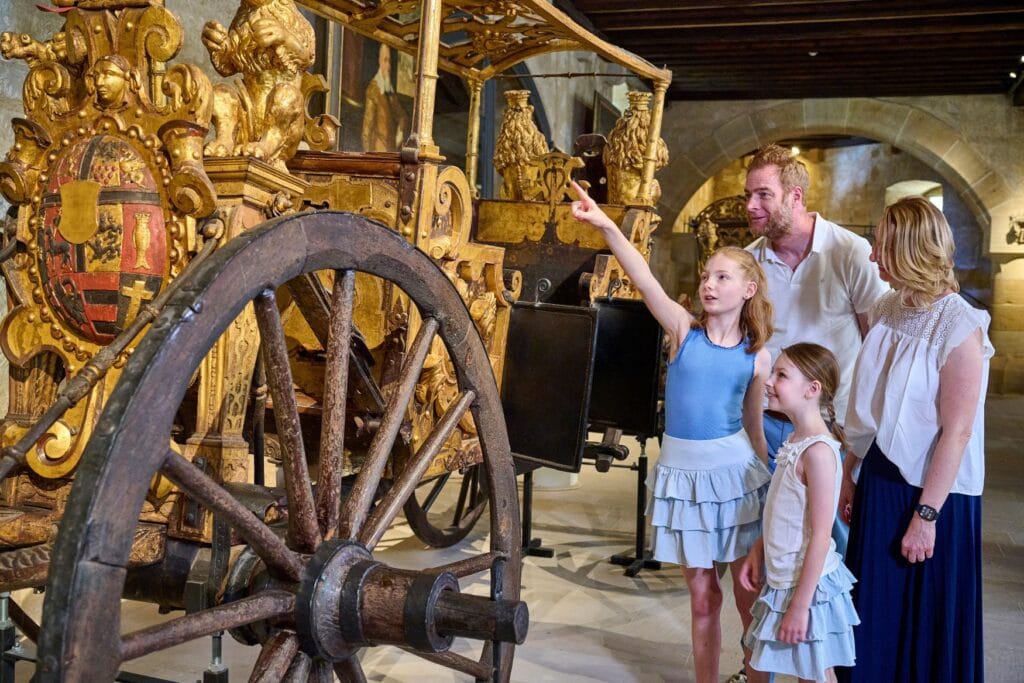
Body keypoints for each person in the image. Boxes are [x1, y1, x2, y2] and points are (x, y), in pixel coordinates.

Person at [571, 181, 773, 683]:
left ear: (747, 289)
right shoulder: (684, 331)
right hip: (684, 480)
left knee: (750, 597)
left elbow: (752, 423)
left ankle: (754, 677)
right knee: (704, 598)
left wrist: (773, 474)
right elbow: (642, 278)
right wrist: (606, 225)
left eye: (722, 277)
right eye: (706, 276)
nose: (709, 284)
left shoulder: (756, 356)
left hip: (736, 481)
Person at [837, 196, 991, 683]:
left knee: (920, 622)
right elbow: (871, 403)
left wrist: (926, 517)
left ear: (909, 249)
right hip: (880, 478)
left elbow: (958, 431)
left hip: (932, 494)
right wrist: (849, 472)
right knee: (874, 617)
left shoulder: (959, 324)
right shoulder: (888, 306)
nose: (872, 256)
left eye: (880, 245)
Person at [744, 144, 888, 553]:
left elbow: (876, 343)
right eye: (748, 195)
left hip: (830, 426)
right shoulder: (749, 262)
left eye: (763, 194)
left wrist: (864, 430)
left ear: (795, 196)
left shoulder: (850, 252)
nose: (751, 205)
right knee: (768, 541)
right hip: (766, 422)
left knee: (832, 545)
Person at [740, 343, 859, 683]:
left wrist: (800, 605)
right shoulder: (794, 439)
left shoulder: (819, 453)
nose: (769, 382)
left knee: (815, 673)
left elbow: (821, 536)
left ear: (812, 389)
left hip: (807, 586)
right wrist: (759, 548)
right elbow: (783, 510)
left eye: (781, 375)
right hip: (782, 578)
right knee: (761, 663)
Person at [361, 43, 408, 152]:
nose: (388, 66)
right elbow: (366, 129)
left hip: (390, 149)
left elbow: (402, 116)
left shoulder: (389, 90)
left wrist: (397, 137)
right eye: (385, 60)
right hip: (378, 151)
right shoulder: (373, 89)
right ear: (379, 61)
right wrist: (367, 155)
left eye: (389, 61)